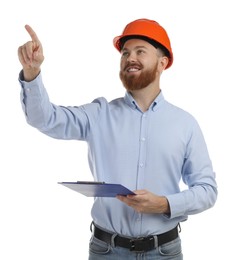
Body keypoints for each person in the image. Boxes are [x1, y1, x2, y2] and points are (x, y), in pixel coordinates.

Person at [18, 18, 217, 259]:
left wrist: (165, 204)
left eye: (140, 51)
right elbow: (45, 119)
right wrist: (32, 72)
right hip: (107, 251)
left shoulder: (185, 124)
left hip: (164, 252)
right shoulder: (99, 114)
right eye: (125, 53)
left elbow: (207, 190)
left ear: (162, 63)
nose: (130, 58)